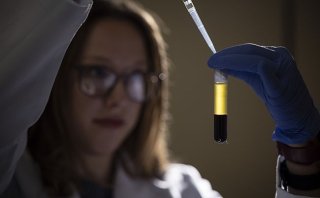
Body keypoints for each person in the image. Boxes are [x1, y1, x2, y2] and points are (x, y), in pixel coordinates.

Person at [0, 1, 319, 198]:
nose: (118, 98)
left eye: (137, 77)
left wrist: (302, 153)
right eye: (98, 73)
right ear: (57, 77)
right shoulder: (14, 179)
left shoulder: (184, 191)